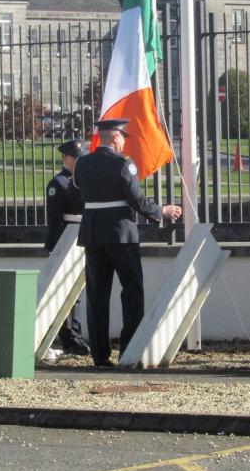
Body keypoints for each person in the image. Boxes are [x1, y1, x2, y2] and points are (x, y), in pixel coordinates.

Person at [74, 118, 182, 367]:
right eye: (123, 137)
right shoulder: (123, 164)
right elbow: (137, 200)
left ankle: (100, 356)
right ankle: (129, 352)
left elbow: (80, 190)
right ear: (115, 137)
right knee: (132, 292)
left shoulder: (83, 163)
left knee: (97, 296)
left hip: (93, 235)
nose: (124, 142)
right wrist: (162, 211)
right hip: (120, 234)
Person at [44, 139, 91, 356]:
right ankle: (70, 339)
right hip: (65, 242)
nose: (80, 162)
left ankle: (76, 336)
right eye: (76, 158)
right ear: (65, 159)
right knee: (66, 293)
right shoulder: (59, 183)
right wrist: (58, 248)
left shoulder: (85, 181)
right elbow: (55, 221)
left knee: (77, 292)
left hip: (83, 240)